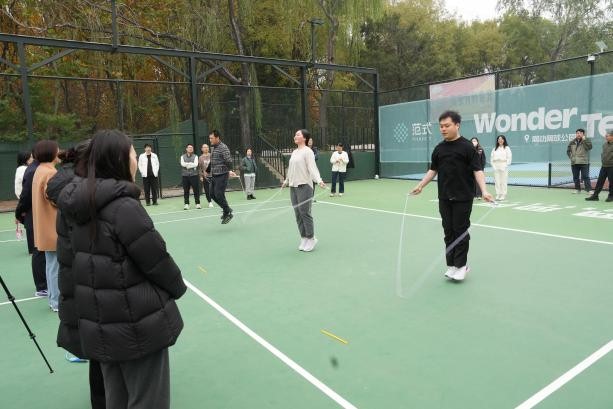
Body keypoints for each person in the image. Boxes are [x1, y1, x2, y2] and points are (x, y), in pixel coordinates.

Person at [56, 129, 186, 409]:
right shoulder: (123, 206)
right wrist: (178, 287)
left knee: (116, 398)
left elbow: (69, 262)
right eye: (132, 153)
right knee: (148, 399)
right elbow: (155, 259)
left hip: (99, 321)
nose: (136, 158)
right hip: (136, 321)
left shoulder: (76, 204)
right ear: (117, 159)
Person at [46, 140, 106, 409]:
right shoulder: (85, 195)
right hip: (92, 284)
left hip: (79, 283)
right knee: (105, 353)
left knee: (98, 353)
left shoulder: (69, 192)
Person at [411, 111, 493, 281]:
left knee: (460, 231)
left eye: (447, 125)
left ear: (457, 125)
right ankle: (452, 265)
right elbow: (433, 170)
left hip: (463, 197)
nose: (443, 129)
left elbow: (477, 170)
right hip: (444, 197)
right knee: (448, 231)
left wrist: (484, 191)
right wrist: (420, 186)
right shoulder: (439, 148)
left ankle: (462, 266)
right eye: (441, 126)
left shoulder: (467, 147)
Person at [282, 129, 326, 252]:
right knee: (298, 213)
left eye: (298, 134)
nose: (295, 136)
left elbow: (312, 168)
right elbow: (291, 168)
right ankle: (304, 237)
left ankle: (311, 238)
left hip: (305, 186)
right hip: (293, 186)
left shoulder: (308, 151)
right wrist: (286, 180)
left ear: (304, 138)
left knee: (304, 212)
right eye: (295, 134)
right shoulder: (294, 152)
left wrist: (319, 180)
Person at [31, 140, 61, 311]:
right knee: (55, 266)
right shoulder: (50, 173)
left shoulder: (39, 170)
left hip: (44, 226)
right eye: (57, 149)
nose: (59, 152)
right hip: (52, 226)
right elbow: (55, 199)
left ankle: (53, 299)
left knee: (51, 265)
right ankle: (56, 301)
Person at [15, 149, 47, 297]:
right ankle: (42, 287)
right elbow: (25, 194)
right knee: (39, 250)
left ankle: (44, 285)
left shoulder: (34, 169)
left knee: (41, 250)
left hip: (33, 211)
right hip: (33, 212)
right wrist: (20, 212)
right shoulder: (31, 170)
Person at [209, 130, 237, 224]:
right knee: (211, 194)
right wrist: (208, 171)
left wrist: (230, 170)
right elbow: (213, 161)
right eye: (210, 138)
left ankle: (227, 211)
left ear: (217, 138)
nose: (210, 140)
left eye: (212, 138)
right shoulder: (213, 148)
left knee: (218, 194)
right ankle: (226, 210)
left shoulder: (223, 147)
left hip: (222, 175)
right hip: (214, 175)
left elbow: (228, 161)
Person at [586, 129, 613, 202]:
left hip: (611, 166)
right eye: (606, 135)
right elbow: (603, 154)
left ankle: (611, 196)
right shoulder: (604, 145)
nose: (606, 136)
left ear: (612, 136)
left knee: (611, 182)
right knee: (600, 181)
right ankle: (595, 196)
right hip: (604, 166)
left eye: (608, 135)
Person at [567, 128, 593, 194]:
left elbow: (589, 147)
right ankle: (577, 189)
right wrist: (571, 157)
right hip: (574, 162)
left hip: (584, 162)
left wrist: (584, 140)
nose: (578, 134)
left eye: (580, 133)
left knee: (585, 176)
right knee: (575, 177)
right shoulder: (572, 142)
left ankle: (589, 190)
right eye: (577, 133)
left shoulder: (586, 140)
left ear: (583, 134)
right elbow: (568, 151)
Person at [15, 151, 32, 244]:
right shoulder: (23, 169)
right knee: (30, 224)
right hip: (26, 201)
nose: (33, 159)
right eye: (31, 157)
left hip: (24, 200)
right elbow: (25, 187)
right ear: (26, 159)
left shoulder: (21, 168)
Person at [490, 135, 512, 201]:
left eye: (502, 139)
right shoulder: (494, 149)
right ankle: (498, 194)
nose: (500, 140)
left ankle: (503, 194)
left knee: (503, 181)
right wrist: (493, 166)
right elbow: (491, 158)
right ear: (497, 140)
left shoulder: (507, 148)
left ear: (504, 140)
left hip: (503, 165)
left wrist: (506, 165)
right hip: (496, 165)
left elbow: (509, 157)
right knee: (497, 181)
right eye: (499, 139)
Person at [180, 143, 200, 210]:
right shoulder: (182, 156)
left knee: (196, 190)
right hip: (185, 176)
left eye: (191, 147)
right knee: (186, 190)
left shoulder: (196, 156)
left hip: (194, 175)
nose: (190, 148)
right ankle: (186, 204)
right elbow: (182, 164)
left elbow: (196, 164)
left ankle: (197, 203)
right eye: (189, 147)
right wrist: (191, 164)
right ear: (186, 149)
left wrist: (187, 165)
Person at [198, 143, 214, 208]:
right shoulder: (200, 158)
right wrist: (201, 176)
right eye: (204, 147)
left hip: (214, 175)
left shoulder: (212, 155)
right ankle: (210, 202)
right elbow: (199, 168)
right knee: (207, 190)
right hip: (205, 177)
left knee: (215, 189)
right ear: (202, 149)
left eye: (207, 147)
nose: (206, 148)